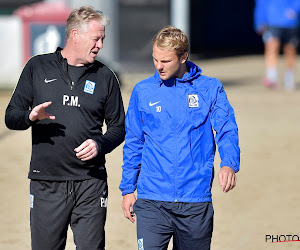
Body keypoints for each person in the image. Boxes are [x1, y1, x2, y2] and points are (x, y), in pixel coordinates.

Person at [5, 6, 125, 250]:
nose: (101, 45)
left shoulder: (106, 76)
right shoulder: (37, 67)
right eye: (96, 38)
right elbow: (11, 117)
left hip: (91, 184)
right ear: (75, 35)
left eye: (103, 38)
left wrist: (100, 144)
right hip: (47, 183)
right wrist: (30, 116)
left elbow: (119, 128)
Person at [119, 26, 240, 250]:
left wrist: (229, 164)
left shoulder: (210, 88)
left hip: (195, 201)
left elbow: (226, 129)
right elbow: (134, 141)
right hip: (152, 200)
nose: (158, 66)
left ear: (184, 56)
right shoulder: (143, 91)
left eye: (165, 61)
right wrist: (128, 189)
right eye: (155, 59)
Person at [254, 0, 300, 91]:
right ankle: (272, 78)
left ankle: (289, 80)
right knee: (271, 48)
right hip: (272, 22)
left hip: (291, 23)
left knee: (290, 50)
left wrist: (295, 10)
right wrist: (259, 21)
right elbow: (261, 4)